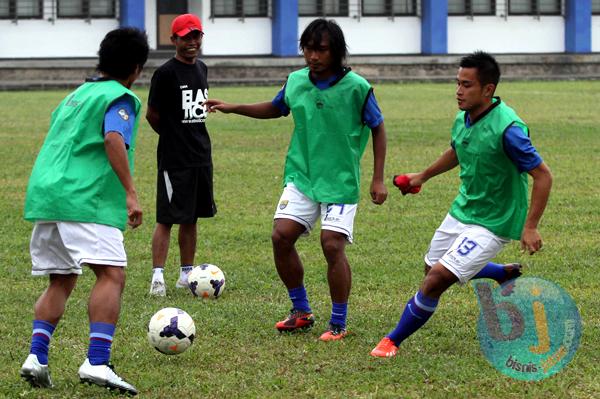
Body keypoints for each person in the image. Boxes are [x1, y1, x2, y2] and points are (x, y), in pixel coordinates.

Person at [205, 18, 388, 341]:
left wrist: (378, 179)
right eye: (308, 49)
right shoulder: (296, 81)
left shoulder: (357, 87)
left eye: (321, 50)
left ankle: (338, 322)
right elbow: (276, 108)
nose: (313, 56)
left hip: (340, 181)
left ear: (336, 52)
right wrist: (233, 107)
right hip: (302, 176)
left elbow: (378, 127)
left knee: (332, 245)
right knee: (280, 237)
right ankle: (301, 310)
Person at [371, 51, 553, 358]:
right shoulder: (463, 118)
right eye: (457, 83)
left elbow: (543, 176)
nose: (458, 91)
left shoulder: (509, 130)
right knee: (432, 265)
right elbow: (458, 150)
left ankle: (391, 341)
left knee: (435, 280)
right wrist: (422, 176)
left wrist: (531, 226)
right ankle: (499, 273)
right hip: (463, 209)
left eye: (466, 85)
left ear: (488, 89)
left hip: (495, 220)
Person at [20, 28, 149, 394]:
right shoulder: (121, 96)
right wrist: (131, 193)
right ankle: (97, 361)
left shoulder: (76, 95)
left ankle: (36, 356)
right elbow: (113, 138)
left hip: (48, 195)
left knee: (62, 278)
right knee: (112, 274)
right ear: (136, 68)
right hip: (84, 198)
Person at [147, 13, 216, 296]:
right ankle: (158, 277)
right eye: (185, 37)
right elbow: (153, 115)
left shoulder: (202, 68)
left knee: (191, 217)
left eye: (196, 36)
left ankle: (186, 273)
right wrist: (173, 135)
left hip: (201, 154)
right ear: (173, 39)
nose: (192, 42)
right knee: (167, 217)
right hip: (174, 158)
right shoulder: (164, 73)